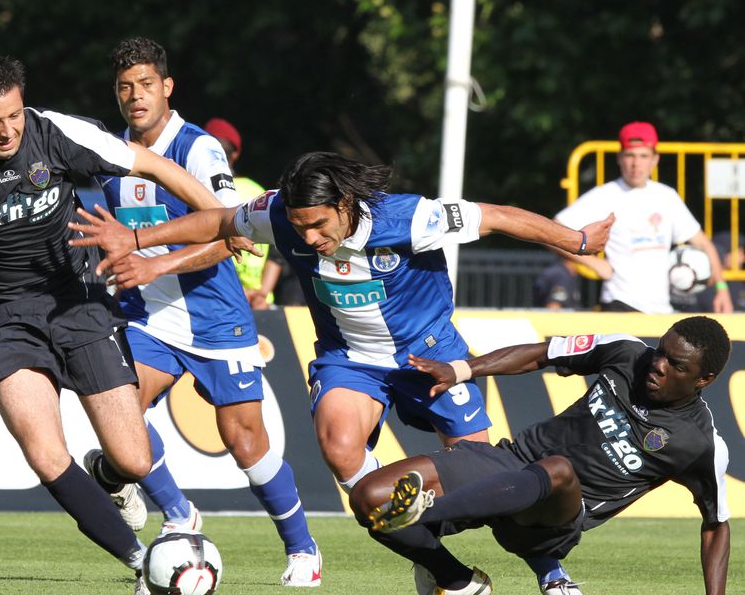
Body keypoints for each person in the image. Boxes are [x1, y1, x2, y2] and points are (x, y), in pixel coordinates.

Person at [68, 151, 614, 516]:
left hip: (429, 353)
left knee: (481, 479)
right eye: (299, 226)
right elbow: (220, 222)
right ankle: (418, 539)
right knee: (340, 448)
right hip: (349, 359)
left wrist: (577, 242)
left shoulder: (410, 218)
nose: (308, 237)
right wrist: (137, 239)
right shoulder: (278, 212)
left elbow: (495, 216)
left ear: (346, 206)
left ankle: (550, 572)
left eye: (318, 225)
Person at [0, 53, 228, 595]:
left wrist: (222, 217)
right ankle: (142, 565)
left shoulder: (55, 131)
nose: (8, 131)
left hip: (79, 305)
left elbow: (152, 165)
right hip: (5, 318)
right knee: (45, 454)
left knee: (135, 461)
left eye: (14, 115)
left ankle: (109, 475)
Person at [91, 38, 320, 595]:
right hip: (147, 316)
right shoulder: (111, 154)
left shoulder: (198, 149)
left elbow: (231, 234)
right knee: (119, 413)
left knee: (245, 442)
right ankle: (178, 512)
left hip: (216, 318)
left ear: (167, 88)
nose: (135, 96)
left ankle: (302, 547)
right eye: (124, 87)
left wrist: (153, 262)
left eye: (146, 84)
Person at [347, 316, 733, 595]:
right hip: (512, 462)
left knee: (558, 470)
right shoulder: (626, 352)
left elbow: (716, 524)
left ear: (704, 379)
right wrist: (462, 370)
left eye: (675, 365)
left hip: (552, 522)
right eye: (660, 351)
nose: (658, 365)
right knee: (370, 498)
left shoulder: (700, 444)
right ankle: (455, 579)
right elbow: (541, 354)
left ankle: (426, 512)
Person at [555, 121, 733, 314]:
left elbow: (704, 244)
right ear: (619, 158)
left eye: (643, 156)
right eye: (630, 155)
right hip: (619, 304)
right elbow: (555, 230)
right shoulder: (605, 195)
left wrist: (722, 288)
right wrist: (594, 263)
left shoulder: (666, 196)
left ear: (655, 159)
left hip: (661, 310)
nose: (636, 164)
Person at [205, 116, 279, 309]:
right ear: (236, 154)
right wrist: (262, 293)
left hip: (217, 298)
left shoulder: (199, 190)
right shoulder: (259, 192)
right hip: (258, 302)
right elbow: (277, 251)